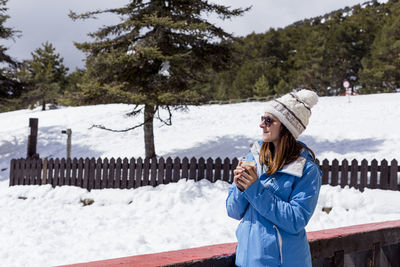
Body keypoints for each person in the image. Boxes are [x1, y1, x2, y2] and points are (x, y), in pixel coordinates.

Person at [226, 89, 322, 267]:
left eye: (269, 120)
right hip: (245, 262)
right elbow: (233, 211)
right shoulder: (252, 158)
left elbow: (296, 220)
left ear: (286, 127)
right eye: (262, 119)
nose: (262, 125)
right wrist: (240, 187)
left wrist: (255, 190)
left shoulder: (307, 170)